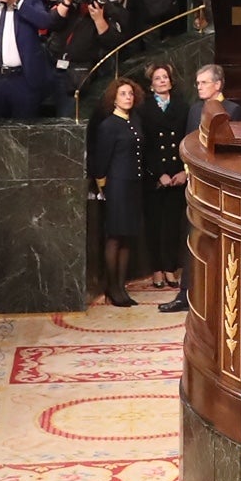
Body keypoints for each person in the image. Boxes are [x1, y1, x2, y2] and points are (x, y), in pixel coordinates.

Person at [90, 75, 148, 307]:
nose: (128, 97)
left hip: (134, 184)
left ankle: (121, 287)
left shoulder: (134, 121)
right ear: (114, 98)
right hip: (117, 186)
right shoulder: (108, 125)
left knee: (127, 237)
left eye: (130, 94)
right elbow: (101, 161)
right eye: (123, 94)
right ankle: (112, 287)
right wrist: (103, 187)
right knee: (115, 236)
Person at [143, 61, 191, 302]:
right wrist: (157, 173)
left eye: (165, 77)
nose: (162, 81)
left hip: (176, 175)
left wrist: (183, 171)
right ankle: (157, 268)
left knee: (173, 224)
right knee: (154, 224)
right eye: (158, 78)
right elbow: (145, 145)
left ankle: (171, 267)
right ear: (151, 84)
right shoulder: (143, 108)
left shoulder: (183, 106)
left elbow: (187, 139)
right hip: (155, 176)